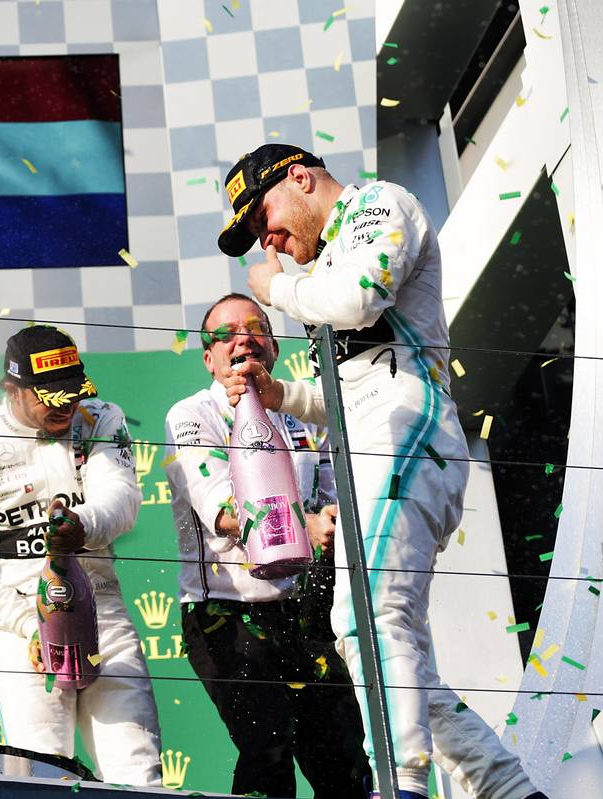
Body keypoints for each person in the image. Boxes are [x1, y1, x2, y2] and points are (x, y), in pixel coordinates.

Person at [217, 143, 543, 799]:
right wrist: (282, 395)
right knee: (392, 654)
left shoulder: (378, 204)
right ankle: (512, 790)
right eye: (254, 233)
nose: (267, 239)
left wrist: (278, 290)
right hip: (373, 443)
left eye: (263, 217)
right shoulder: (323, 270)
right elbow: (343, 395)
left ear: (300, 178)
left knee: (365, 616)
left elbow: (362, 299)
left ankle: (400, 785)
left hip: (408, 431)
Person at [0, 326, 162, 786]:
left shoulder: (100, 418)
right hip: (21, 622)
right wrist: (28, 624)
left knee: (137, 773)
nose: (66, 406)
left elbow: (121, 499)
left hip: (101, 609)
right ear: (12, 390)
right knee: (43, 775)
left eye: (73, 393)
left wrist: (81, 526)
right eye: (51, 398)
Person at [164, 293, 370, 798]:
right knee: (268, 747)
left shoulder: (304, 412)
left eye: (256, 327)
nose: (244, 339)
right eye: (226, 334)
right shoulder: (190, 415)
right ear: (209, 358)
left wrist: (330, 520)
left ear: (274, 347)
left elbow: (334, 498)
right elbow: (224, 511)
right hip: (226, 613)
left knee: (345, 760)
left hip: (310, 610)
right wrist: (305, 523)